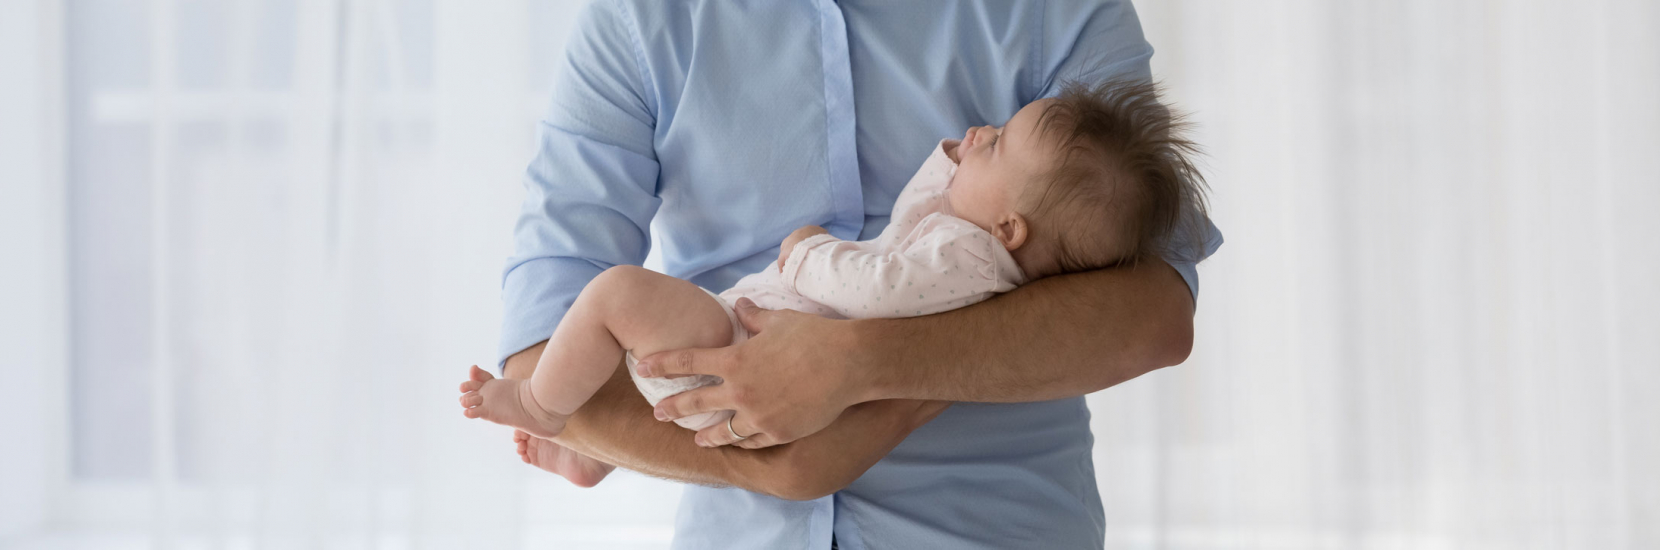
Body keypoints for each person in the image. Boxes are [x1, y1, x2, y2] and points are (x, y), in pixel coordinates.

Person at [495, 1, 1223, 548]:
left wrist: (858, 367)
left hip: (996, 527)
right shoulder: (638, 21)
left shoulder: (1050, 10)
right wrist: (773, 466)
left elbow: (1151, 313)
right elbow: (542, 342)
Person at [461, 79, 1211, 476]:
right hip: (739, 362)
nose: (977, 134)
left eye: (998, 144)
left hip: (733, 352)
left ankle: (540, 404)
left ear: (1010, 229)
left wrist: (807, 251)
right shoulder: (976, 241)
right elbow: (925, 211)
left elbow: (879, 287)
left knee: (618, 295)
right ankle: (592, 458)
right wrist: (965, 166)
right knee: (622, 317)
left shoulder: (965, 257)